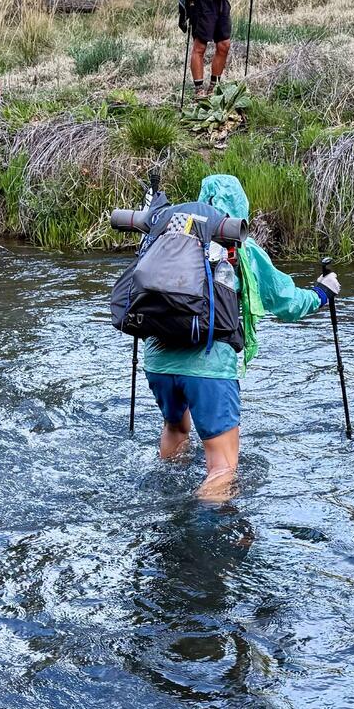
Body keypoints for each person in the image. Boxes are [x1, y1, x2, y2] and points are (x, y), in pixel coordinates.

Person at [142, 173, 341, 501]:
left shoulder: (168, 236)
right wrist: (322, 293)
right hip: (209, 366)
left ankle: (166, 498)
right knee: (222, 468)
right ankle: (201, 527)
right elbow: (287, 303)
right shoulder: (241, 249)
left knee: (175, 429)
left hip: (158, 361)